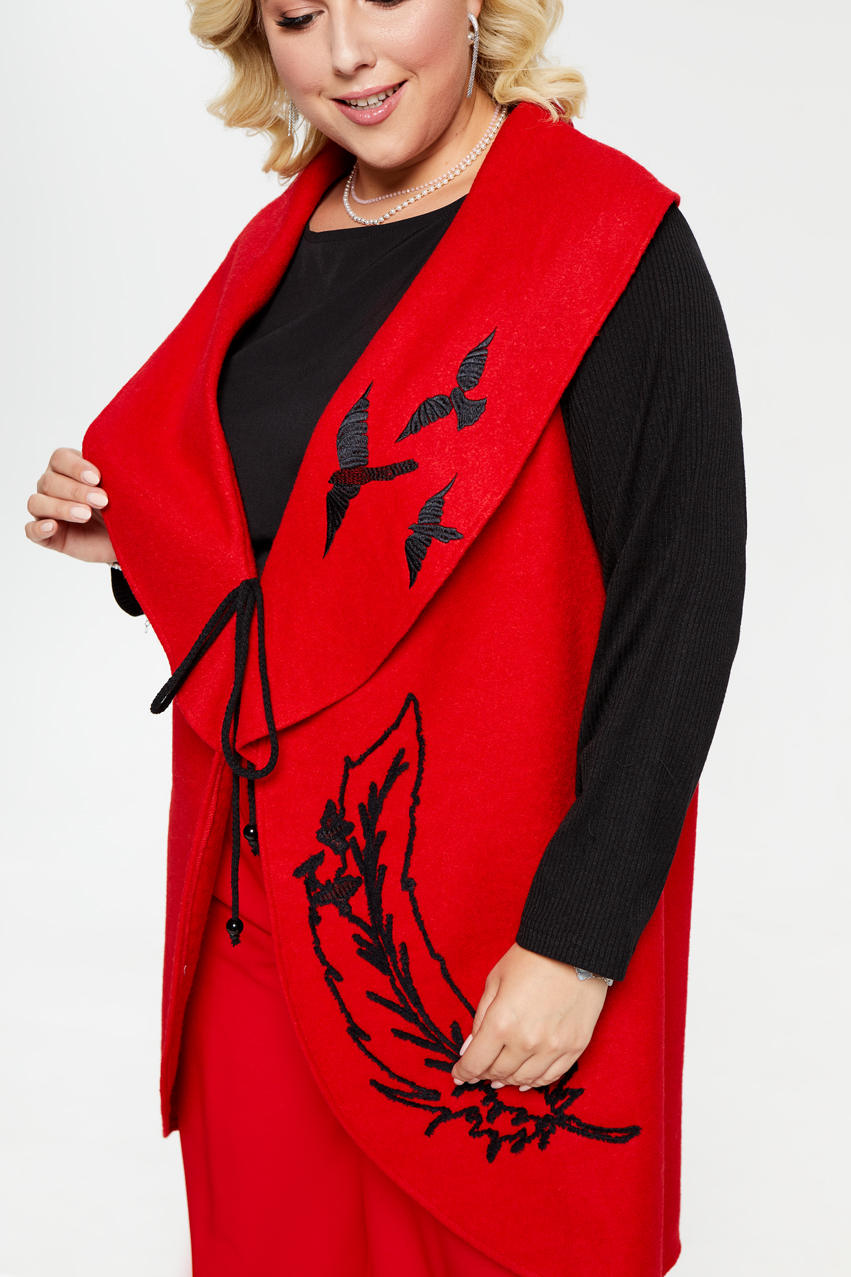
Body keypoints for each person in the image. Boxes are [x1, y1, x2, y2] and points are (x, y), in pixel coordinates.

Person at [23, 0, 746, 1273]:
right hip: (256, 916)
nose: (347, 53)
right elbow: (294, 552)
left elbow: (680, 599)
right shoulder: (281, 244)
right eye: (300, 15)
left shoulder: (605, 238)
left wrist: (578, 938)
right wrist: (139, 546)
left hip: (486, 924)